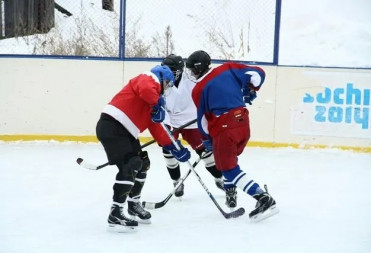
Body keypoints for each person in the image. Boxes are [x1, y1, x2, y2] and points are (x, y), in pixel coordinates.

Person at [96, 65, 191, 232]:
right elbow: (146, 88)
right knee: (130, 165)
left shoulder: (152, 102)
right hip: (112, 126)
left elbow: (159, 129)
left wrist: (174, 147)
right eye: (168, 83)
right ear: (161, 78)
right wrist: (157, 104)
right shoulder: (147, 79)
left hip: (126, 133)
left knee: (142, 164)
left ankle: (133, 204)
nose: (168, 88)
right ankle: (116, 212)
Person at [186, 50, 278, 221]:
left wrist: (206, 140)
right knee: (230, 161)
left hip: (224, 128)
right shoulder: (228, 68)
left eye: (192, 69)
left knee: (228, 170)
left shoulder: (198, 89)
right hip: (243, 121)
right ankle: (231, 195)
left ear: (198, 69)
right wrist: (249, 89)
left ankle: (263, 198)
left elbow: (203, 121)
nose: (190, 73)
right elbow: (258, 73)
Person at [160, 54, 225, 199]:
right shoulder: (160, 80)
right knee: (168, 151)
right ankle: (177, 181)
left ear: (179, 70)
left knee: (206, 153)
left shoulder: (191, 78)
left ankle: (219, 178)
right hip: (171, 121)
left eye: (171, 70)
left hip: (192, 120)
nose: (167, 73)